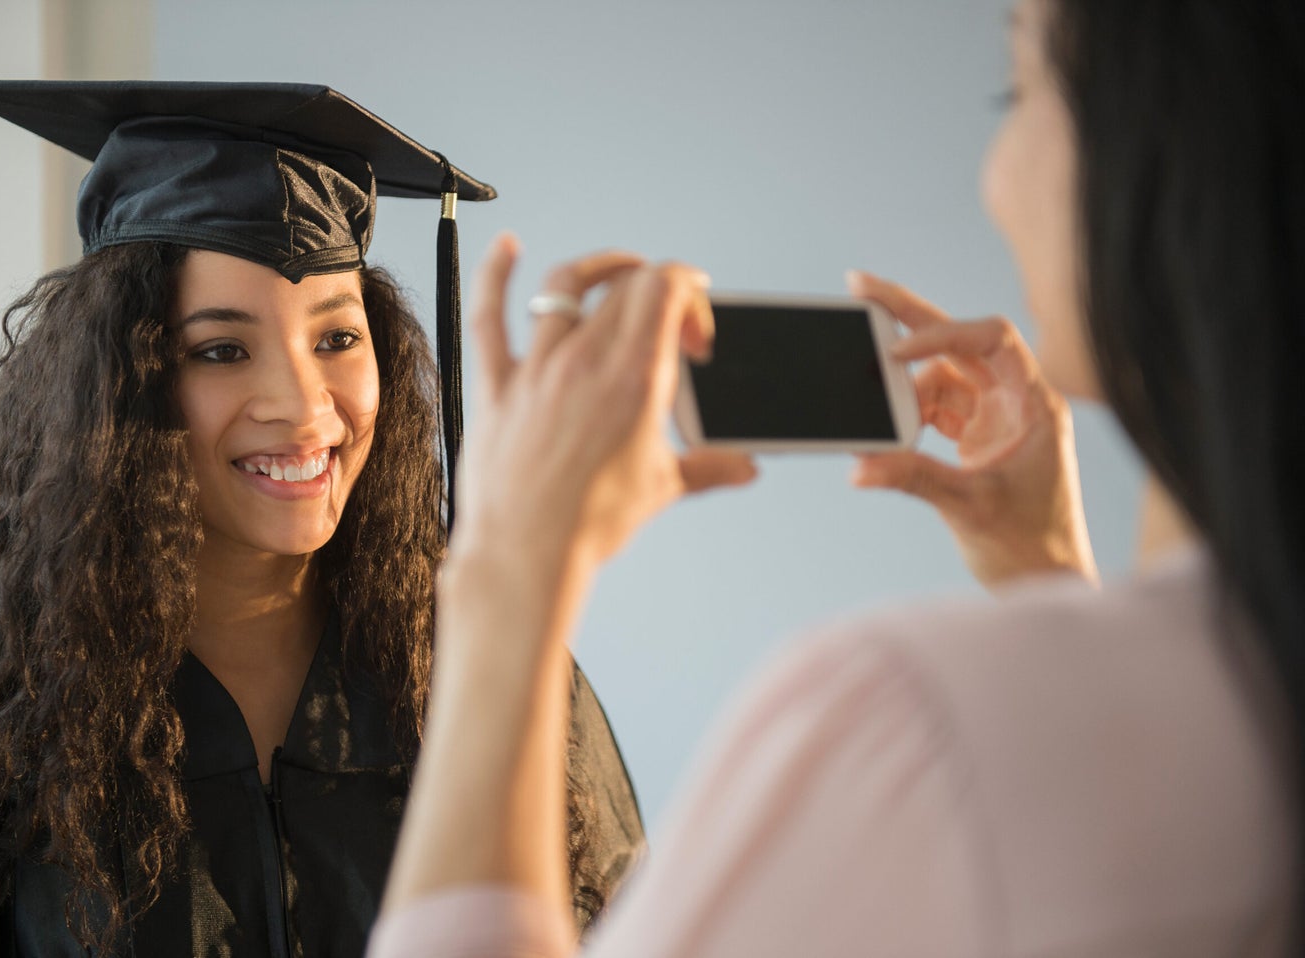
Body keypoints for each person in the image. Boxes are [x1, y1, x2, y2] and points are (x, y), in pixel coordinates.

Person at [367, 0, 1302, 955]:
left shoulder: (907, 715)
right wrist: (1048, 577)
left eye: (1018, 88)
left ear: (1166, 151)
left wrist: (507, 574)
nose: (992, 174)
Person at [0, 78, 645, 956]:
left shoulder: (478, 673)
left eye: (336, 339)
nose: (306, 410)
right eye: (223, 350)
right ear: (121, 384)